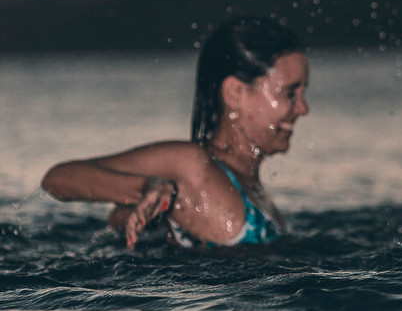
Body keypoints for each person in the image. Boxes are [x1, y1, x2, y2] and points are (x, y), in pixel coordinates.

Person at [42, 15, 309, 249]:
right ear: (235, 93)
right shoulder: (192, 166)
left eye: (303, 93)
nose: (303, 108)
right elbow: (58, 179)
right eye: (290, 93)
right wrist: (143, 189)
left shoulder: (253, 189)